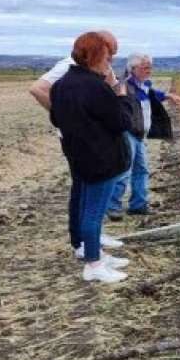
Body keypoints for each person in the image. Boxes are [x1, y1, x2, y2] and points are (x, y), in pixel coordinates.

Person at [29, 29, 125, 251]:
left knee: (92, 194)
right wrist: (69, 119)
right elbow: (37, 89)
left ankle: (92, 238)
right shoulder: (69, 68)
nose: (112, 59)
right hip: (81, 141)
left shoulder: (92, 71)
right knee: (83, 192)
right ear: (99, 49)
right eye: (110, 53)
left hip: (89, 138)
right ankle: (82, 243)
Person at [49, 32, 133, 284]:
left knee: (86, 208)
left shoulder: (61, 85)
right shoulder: (96, 87)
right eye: (107, 56)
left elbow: (55, 119)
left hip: (78, 155)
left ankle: (96, 254)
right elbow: (121, 122)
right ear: (97, 56)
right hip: (101, 159)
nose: (109, 62)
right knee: (93, 214)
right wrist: (120, 95)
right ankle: (94, 265)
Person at [108, 52, 180, 218]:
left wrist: (167, 95)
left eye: (150, 67)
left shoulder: (143, 85)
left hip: (139, 135)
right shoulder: (124, 86)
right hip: (126, 134)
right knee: (124, 171)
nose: (148, 70)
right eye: (145, 67)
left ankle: (138, 205)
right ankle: (112, 207)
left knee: (142, 170)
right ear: (132, 68)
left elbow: (152, 94)